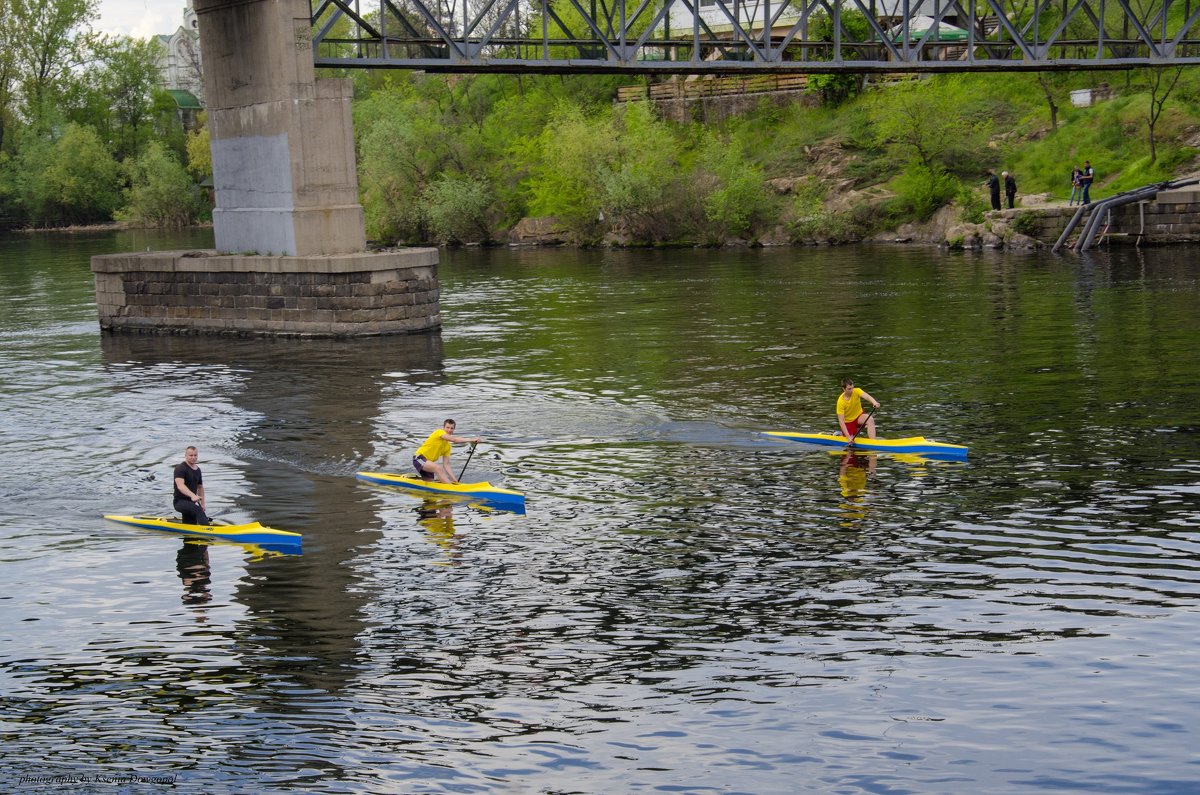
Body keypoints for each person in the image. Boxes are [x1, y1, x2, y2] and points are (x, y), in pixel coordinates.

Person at [412, 419, 481, 484]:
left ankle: (416, 482)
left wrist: (454, 480)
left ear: (454, 429)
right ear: (443, 428)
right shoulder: (439, 432)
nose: (449, 430)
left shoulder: (448, 446)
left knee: (429, 483)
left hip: (429, 463)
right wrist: (472, 440)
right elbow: (454, 440)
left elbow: (446, 464)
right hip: (418, 459)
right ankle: (451, 489)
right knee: (438, 468)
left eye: (451, 428)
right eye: (447, 427)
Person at [173, 446, 210, 525]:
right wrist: (193, 495)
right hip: (179, 502)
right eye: (191, 455)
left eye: (195, 455)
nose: (193, 457)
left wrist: (203, 504)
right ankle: (208, 532)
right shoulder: (180, 468)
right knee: (198, 510)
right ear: (185, 456)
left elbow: (200, 487)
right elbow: (180, 486)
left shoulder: (198, 470)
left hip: (191, 503)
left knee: (190, 523)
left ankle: (189, 534)